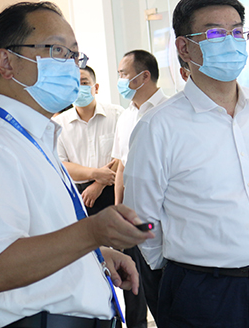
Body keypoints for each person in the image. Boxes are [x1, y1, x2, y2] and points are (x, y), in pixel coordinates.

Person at [0, 1, 153, 328]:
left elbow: (41, 237)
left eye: (74, 55)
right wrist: (92, 232)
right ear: (7, 62)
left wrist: (94, 255)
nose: (70, 65)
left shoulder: (33, 138)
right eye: (57, 50)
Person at [124, 0, 249, 328]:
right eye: (215, 33)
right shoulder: (159, 125)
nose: (230, 42)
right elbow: (141, 217)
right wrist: (182, 270)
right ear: (184, 47)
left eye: (237, 32)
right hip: (202, 292)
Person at [111, 49, 167, 328]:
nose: (120, 80)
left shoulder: (168, 111)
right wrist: (118, 211)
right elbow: (121, 166)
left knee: (166, 292)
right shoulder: (125, 117)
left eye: (123, 74)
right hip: (132, 220)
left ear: (144, 76)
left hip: (161, 220)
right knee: (140, 287)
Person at [53, 65, 124, 216]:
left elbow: (123, 155)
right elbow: (61, 164)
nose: (79, 88)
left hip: (114, 189)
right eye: (73, 83)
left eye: (84, 83)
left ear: (95, 88)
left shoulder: (117, 114)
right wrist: (95, 174)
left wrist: (99, 184)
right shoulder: (58, 124)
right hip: (80, 195)